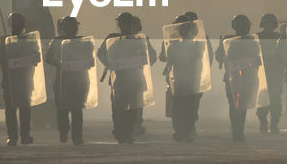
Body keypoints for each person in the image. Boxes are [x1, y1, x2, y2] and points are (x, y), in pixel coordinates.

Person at [98, 12, 153, 144]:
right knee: (119, 109)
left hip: (135, 78)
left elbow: (152, 56)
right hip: (119, 78)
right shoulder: (112, 38)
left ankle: (127, 133)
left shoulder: (140, 39)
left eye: (125, 23)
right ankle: (120, 133)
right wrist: (111, 64)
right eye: (121, 23)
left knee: (133, 109)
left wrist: (142, 61)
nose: (123, 26)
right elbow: (101, 54)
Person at [44, 15, 95, 146]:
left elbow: (90, 58)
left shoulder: (84, 41)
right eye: (70, 26)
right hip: (63, 80)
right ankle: (64, 131)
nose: (73, 29)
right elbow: (49, 58)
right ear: (64, 28)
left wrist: (87, 62)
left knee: (77, 110)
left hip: (79, 79)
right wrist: (59, 63)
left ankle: (77, 137)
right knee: (62, 109)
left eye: (74, 26)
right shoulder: (57, 41)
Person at [216, 14, 265, 142]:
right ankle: (237, 129)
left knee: (240, 105)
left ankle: (238, 129)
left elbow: (257, 60)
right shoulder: (228, 40)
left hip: (246, 77)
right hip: (233, 77)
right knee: (235, 105)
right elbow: (219, 58)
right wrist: (221, 47)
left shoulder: (252, 41)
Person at [161, 14, 210, 142]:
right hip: (179, 81)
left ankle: (188, 131)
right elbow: (168, 62)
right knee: (178, 108)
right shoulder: (174, 46)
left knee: (190, 108)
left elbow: (200, 59)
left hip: (192, 80)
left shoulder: (197, 45)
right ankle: (179, 131)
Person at [1, 11, 38, 145]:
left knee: (21, 109)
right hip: (11, 80)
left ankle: (20, 136)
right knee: (16, 110)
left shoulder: (29, 40)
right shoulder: (4, 41)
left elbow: (36, 57)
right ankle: (17, 136)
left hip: (24, 79)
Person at [255, 14, 286, 134]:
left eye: (270, 23)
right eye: (266, 23)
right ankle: (263, 122)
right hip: (262, 73)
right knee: (262, 100)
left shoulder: (279, 37)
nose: (268, 25)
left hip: (275, 73)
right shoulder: (257, 37)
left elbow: (283, 54)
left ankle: (274, 124)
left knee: (275, 100)